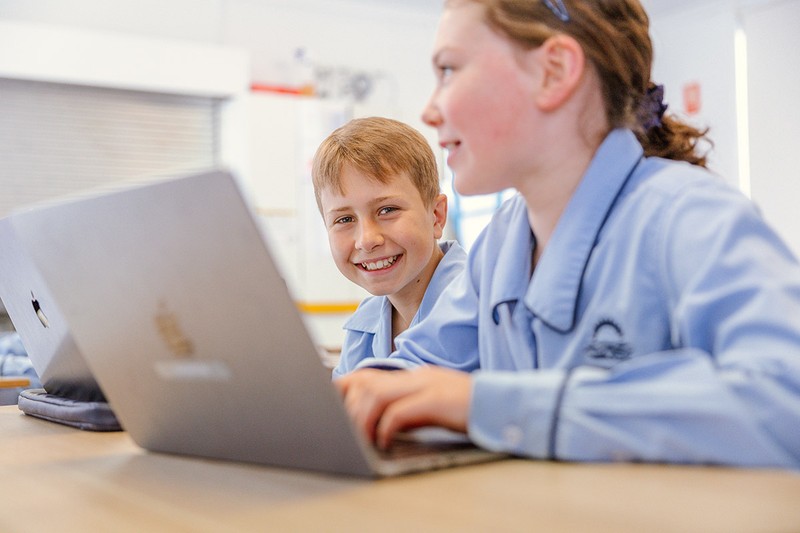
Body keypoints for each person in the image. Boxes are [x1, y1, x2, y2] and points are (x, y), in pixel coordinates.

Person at [335, 0, 800, 468]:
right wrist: (346, 400)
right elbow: (416, 368)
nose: (431, 110)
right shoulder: (501, 244)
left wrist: (489, 404)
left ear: (554, 72)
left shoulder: (691, 217)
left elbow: (785, 404)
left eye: (450, 70)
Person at [311, 117, 466, 378]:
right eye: (344, 219)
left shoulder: (478, 305)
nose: (366, 240)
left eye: (387, 210)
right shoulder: (365, 326)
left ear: (436, 216)